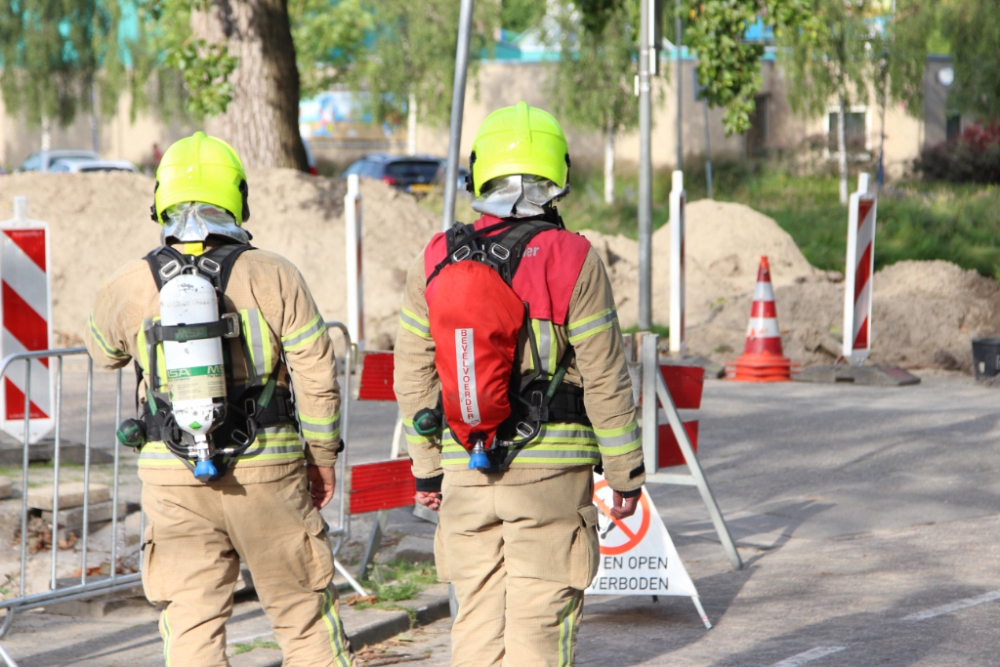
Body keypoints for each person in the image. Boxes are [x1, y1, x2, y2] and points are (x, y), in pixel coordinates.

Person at [85, 132, 355, 667]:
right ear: (237, 197)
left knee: (191, 624)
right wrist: (321, 459)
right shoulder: (274, 273)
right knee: (304, 620)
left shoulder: (132, 280)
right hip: (268, 471)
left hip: (171, 476)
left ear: (160, 198)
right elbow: (318, 374)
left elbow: (102, 353)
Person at [393, 102, 644, 667]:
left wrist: (425, 466)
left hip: (465, 463)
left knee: (477, 620)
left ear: (479, 170)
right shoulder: (572, 256)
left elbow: (412, 373)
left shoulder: (435, 256)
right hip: (551, 473)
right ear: (558, 173)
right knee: (539, 620)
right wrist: (626, 472)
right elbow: (605, 374)